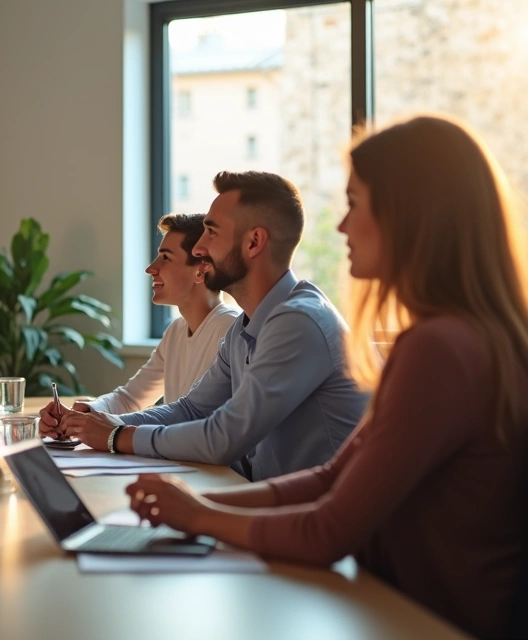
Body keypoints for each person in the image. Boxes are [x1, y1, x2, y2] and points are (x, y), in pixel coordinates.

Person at [123, 115, 528, 639]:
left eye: (354, 205)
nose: (341, 227)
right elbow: (331, 478)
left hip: (420, 622)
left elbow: (327, 529)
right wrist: (195, 504)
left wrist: (198, 517)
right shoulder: (459, 337)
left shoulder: (440, 350)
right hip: (390, 605)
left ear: (409, 217)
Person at [44, 171, 368, 481]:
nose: (199, 249)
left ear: (254, 242)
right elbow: (190, 410)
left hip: (311, 524)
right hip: (265, 504)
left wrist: (116, 435)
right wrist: (92, 425)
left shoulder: (299, 321)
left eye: (211, 233)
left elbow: (222, 437)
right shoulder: (245, 326)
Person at [39, 213, 237, 432]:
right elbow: (130, 399)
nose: (151, 268)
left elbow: (207, 426)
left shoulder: (229, 330)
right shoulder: (176, 331)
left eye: (165, 258)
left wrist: (108, 426)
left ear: (200, 270)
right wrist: (84, 413)